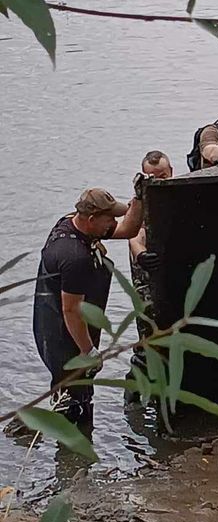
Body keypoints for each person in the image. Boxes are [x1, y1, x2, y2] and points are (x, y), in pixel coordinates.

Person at [32, 179, 146, 423]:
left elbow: (129, 230)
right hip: (63, 335)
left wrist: (139, 198)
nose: (114, 224)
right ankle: (71, 455)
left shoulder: (75, 224)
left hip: (70, 328)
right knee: (73, 404)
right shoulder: (73, 257)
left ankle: (79, 460)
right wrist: (88, 351)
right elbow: (71, 310)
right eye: (109, 219)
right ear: (92, 219)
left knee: (82, 394)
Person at [127, 151, 173, 386]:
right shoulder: (141, 202)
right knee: (148, 330)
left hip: (173, 273)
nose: (157, 182)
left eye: (162, 176)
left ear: (171, 172)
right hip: (146, 277)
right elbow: (134, 234)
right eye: (151, 177)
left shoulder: (179, 193)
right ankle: (138, 386)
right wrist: (141, 254)